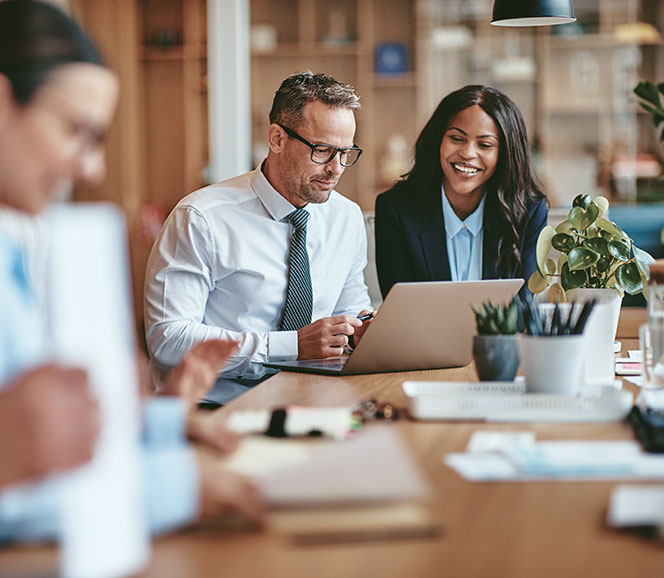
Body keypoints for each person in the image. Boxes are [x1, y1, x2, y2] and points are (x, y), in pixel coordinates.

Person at [0, 0, 262, 544]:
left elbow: (32, 440)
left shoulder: (16, 246)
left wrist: (161, 420)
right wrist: (175, 487)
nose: (91, 168)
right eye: (77, 131)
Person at [145, 71, 374, 403]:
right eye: (322, 151)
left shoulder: (346, 217)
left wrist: (365, 327)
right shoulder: (202, 217)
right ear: (277, 139)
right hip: (216, 406)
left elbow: (350, 307)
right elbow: (168, 339)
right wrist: (290, 346)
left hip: (313, 401)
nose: (337, 168)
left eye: (346, 153)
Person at [374, 85, 548, 298]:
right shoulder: (395, 209)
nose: (467, 153)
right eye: (456, 139)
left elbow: (523, 310)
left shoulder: (529, 211)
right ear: (438, 140)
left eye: (484, 144)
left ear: (505, 154)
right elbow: (399, 308)